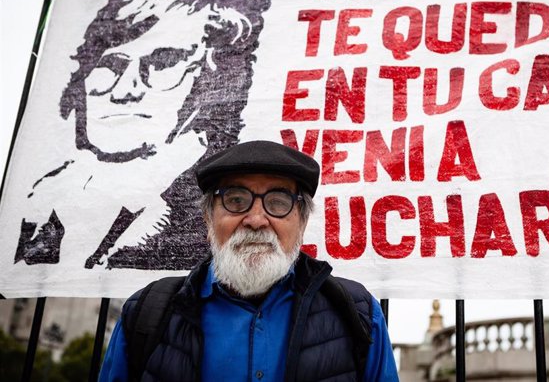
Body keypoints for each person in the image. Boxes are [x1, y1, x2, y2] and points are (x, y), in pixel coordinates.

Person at [14, 0, 271, 270]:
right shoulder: (41, 200)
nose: (125, 91)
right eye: (110, 65)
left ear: (209, 83)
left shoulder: (216, 210)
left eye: (163, 63)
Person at [99, 140, 399, 381]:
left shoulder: (359, 314)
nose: (256, 220)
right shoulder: (146, 313)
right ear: (208, 219)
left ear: (302, 224)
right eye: (236, 200)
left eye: (278, 203)